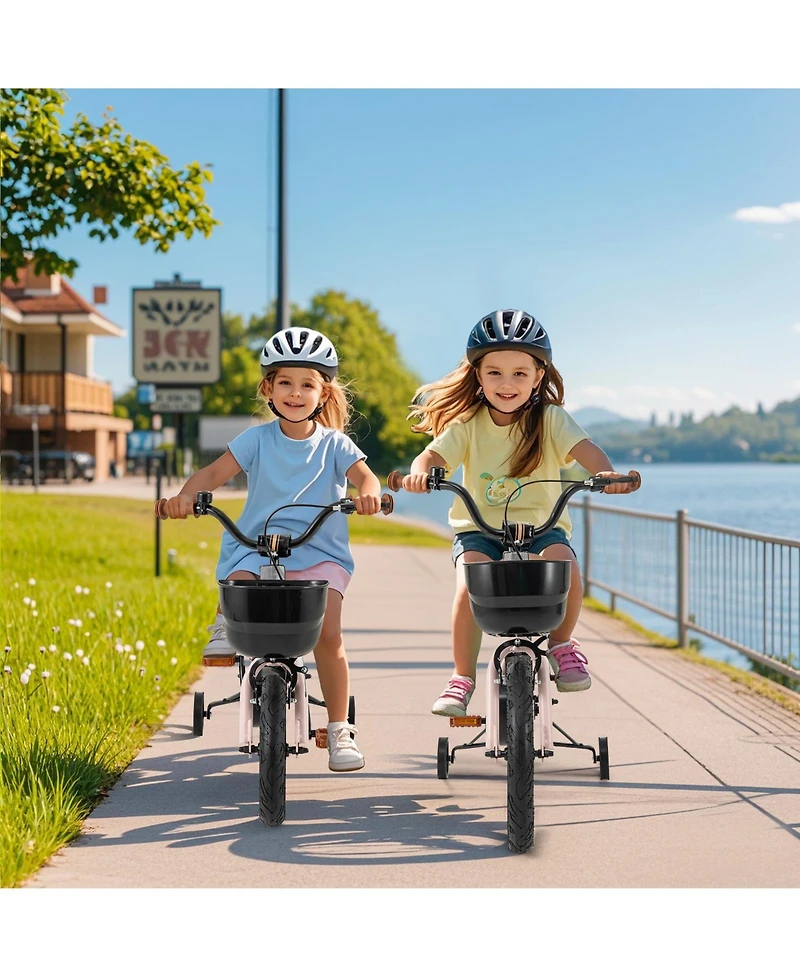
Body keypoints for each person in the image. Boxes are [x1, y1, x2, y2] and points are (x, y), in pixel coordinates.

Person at [158, 328, 382, 771]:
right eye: (284, 383)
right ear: (268, 389)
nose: (295, 393)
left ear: (323, 392)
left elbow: (364, 478)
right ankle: (224, 624)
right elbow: (210, 474)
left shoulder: (335, 444)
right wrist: (186, 496)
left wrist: (370, 495)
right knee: (239, 577)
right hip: (259, 546)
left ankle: (339, 730)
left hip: (320, 551)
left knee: (329, 634)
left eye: (307, 384)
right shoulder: (256, 440)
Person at [401, 308, 640, 716]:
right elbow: (433, 454)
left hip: (541, 527)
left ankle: (562, 644)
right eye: (494, 373)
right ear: (478, 376)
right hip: (479, 529)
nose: (506, 384)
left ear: (538, 377)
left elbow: (588, 452)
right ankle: (462, 677)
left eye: (519, 373)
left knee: (567, 568)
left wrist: (605, 474)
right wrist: (419, 473)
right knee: (468, 585)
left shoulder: (551, 419)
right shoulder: (469, 423)